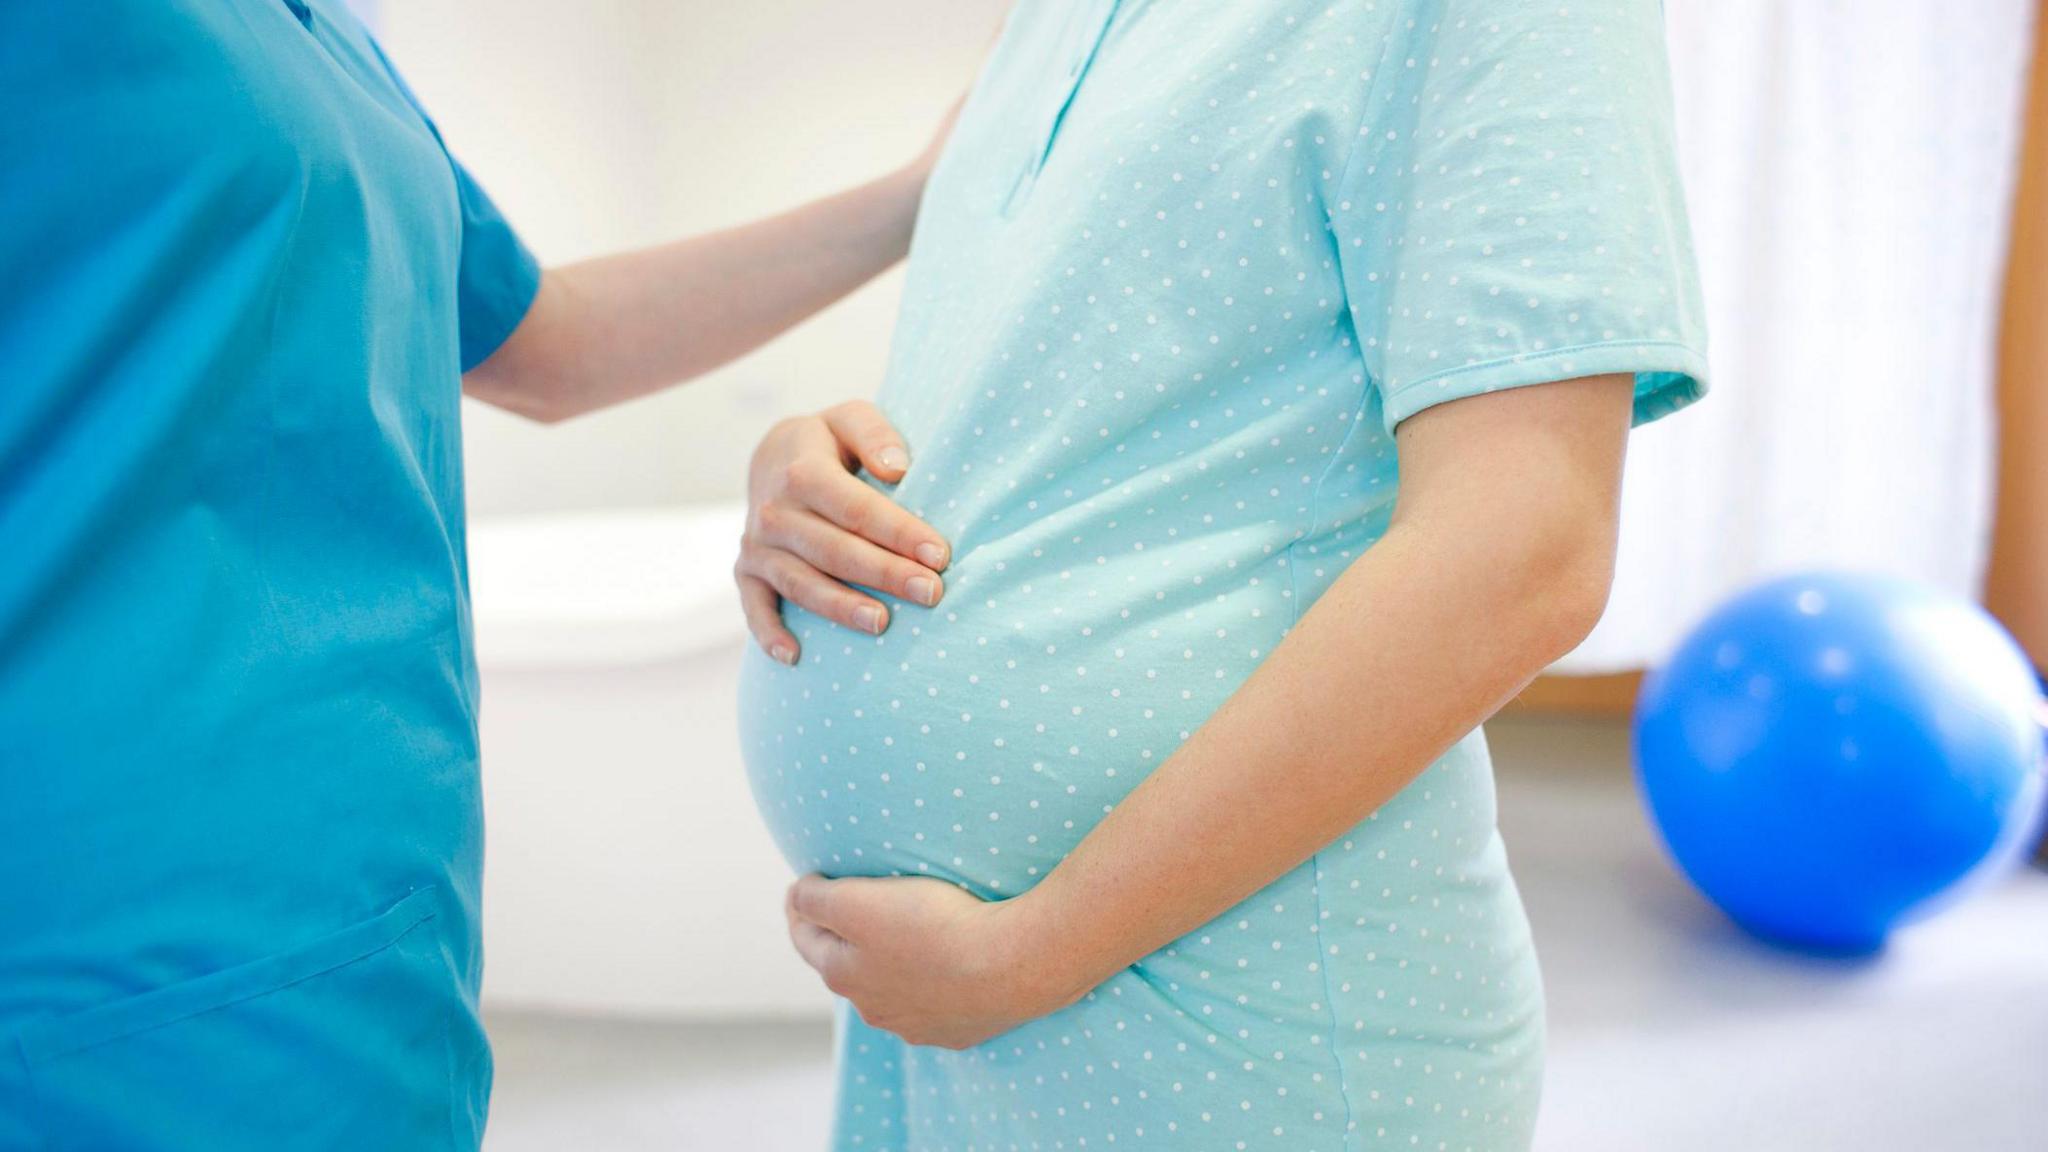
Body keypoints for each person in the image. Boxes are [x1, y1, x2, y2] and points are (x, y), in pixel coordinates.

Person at [738, 1, 1709, 1149]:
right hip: (941, 1024)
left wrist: (1032, 950)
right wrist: (815, 467)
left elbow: (1523, 547)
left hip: (1234, 1013)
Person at [0, 2, 954, 1145]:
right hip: (106, 935)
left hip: (368, 918)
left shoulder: (326, 43)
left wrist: (914, 195)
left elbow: (552, 342)